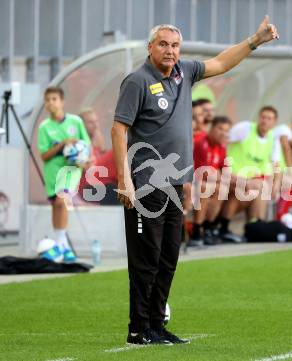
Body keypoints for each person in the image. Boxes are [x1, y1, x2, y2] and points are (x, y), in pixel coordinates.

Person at [111, 19, 279, 345]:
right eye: (163, 44)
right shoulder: (137, 81)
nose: (170, 51)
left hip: (176, 185)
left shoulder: (183, 72)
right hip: (146, 184)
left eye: (175, 45)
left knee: (168, 257)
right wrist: (124, 180)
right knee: (146, 260)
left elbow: (220, 62)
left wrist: (255, 41)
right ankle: (138, 329)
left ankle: (157, 326)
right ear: (150, 47)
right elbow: (119, 130)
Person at [37, 87, 91, 262]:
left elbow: (86, 145)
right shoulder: (44, 127)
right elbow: (44, 155)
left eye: (54, 99)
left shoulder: (75, 122)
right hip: (52, 172)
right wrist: (62, 145)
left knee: (62, 201)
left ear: (62, 101)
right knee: (56, 206)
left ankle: (61, 245)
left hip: (70, 170)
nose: (50, 103)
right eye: (47, 100)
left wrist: (85, 160)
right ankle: (63, 246)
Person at [217, 106, 279, 242]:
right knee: (258, 186)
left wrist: (276, 183)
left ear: (274, 122)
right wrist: (221, 166)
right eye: (263, 117)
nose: (265, 121)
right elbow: (222, 140)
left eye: (269, 118)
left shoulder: (271, 137)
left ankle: (251, 228)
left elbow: (276, 164)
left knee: (257, 188)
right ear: (258, 118)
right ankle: (257, 225)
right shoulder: (245, 128)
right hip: (230, 175)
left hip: (248, 180)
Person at [190, 116, 231, 246]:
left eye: (226, 130)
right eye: (220, 129)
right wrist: (220, 176)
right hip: (192, 179)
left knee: (222, 189)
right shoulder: (202, 143)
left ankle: (208, 229)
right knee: (206, 188)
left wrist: (221, 176)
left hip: (209, 182)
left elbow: (225, 171)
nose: (223, 133)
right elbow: (203, 173)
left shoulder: (221, 147)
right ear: (211, 128)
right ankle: (197, 232)